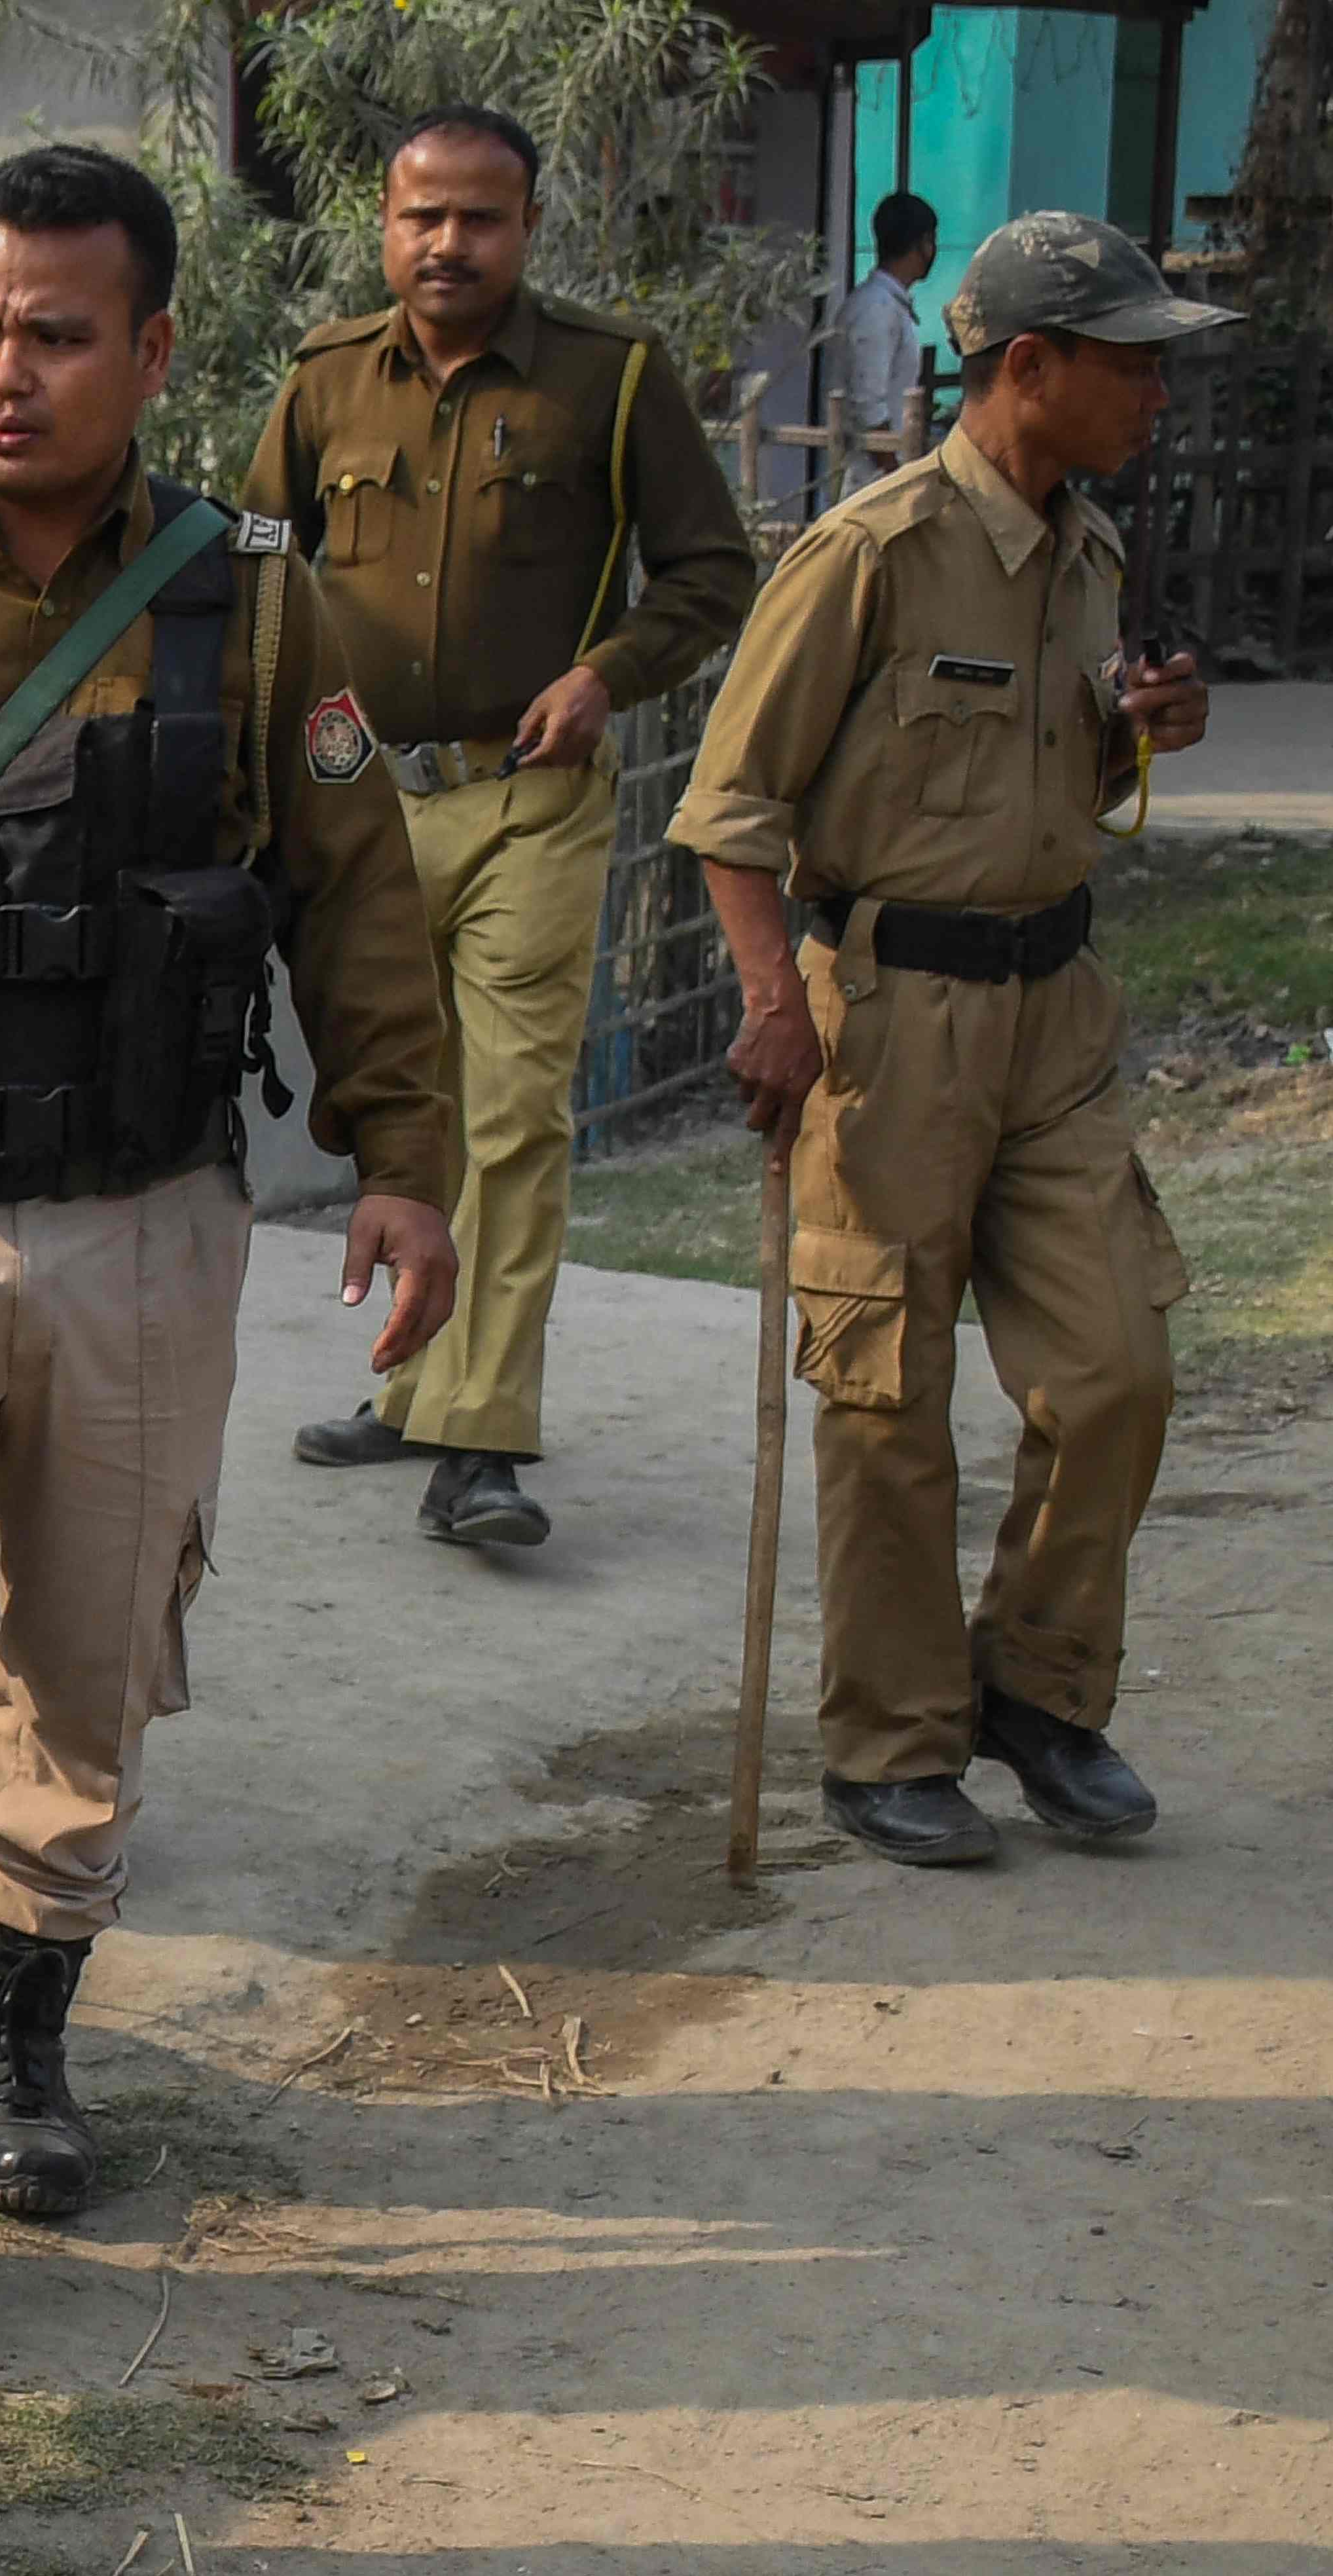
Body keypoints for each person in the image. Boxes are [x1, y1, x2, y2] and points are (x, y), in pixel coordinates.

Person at [0, 145, 460, 2240]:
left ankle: (14, 2026)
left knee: (86, 1653)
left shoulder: (255, 600)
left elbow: (358, 901)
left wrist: (401, 1167)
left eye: (54, 336)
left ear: (149, 352)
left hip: (150, 1213)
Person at [672, 213, 1225, 1870]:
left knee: (1116, 1364)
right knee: (886, 1394)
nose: (1151, 391)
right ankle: (893, 1744)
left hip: (1055, 1018)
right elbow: (728, 809)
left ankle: (1039, 1694)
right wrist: (774, 1002)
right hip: (887, 1021)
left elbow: (1055, 778)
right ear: (1023, 368)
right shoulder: (866, 553)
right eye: (1127, 360)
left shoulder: (1090, 552)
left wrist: (1142, 733)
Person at [255, 105, 757, 1553]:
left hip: (529, 799)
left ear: (526, 228)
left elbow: (709, 569)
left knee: (514, 1113)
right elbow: (248, 567)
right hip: (361, 810)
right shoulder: (325, 381)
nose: (448, 243)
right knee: (401, 1104)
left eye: (479, 218)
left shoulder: (611, 379)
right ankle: (414, 1385)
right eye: (422, 216)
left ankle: (479, 1442)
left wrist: (607, 675)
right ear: (385, 223)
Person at [837, 192, 936, 460]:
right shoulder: (875, 308)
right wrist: (893, 473)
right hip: (869, 479)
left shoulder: (887, 304)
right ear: (923, 244)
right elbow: (869, 407)